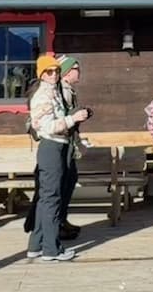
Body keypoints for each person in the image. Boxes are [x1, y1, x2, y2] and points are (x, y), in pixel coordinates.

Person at [27, 55, 89, 262]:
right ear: (41, 74)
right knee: (51, 198)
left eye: (56, 71)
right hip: (51, 146)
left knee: (46, 198)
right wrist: (73, 118)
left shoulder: (54, 92)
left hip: (58, 146)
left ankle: (36, 245)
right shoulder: (42, 95)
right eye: (49, 72)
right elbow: (47, 126)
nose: (54, 75)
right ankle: (51, 249)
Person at [56, 55, 84, 240]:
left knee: (70, 179)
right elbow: (62, 118)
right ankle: (58, 223)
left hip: (67, 142)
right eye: (76, 69)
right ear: (67, 72)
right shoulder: (62, 91)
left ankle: (62, 220)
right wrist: (76, 117)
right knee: (64, 182)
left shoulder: (68, 90)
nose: (79, 72)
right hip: (61, 143)